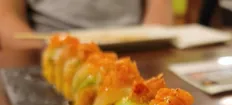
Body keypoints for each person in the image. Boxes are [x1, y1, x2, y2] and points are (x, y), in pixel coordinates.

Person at [0, 0, 173, 50]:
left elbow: (160, 4)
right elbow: (5, 17)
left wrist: (150, 40)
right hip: (48, 52)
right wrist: (51, 56)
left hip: (137, 48)